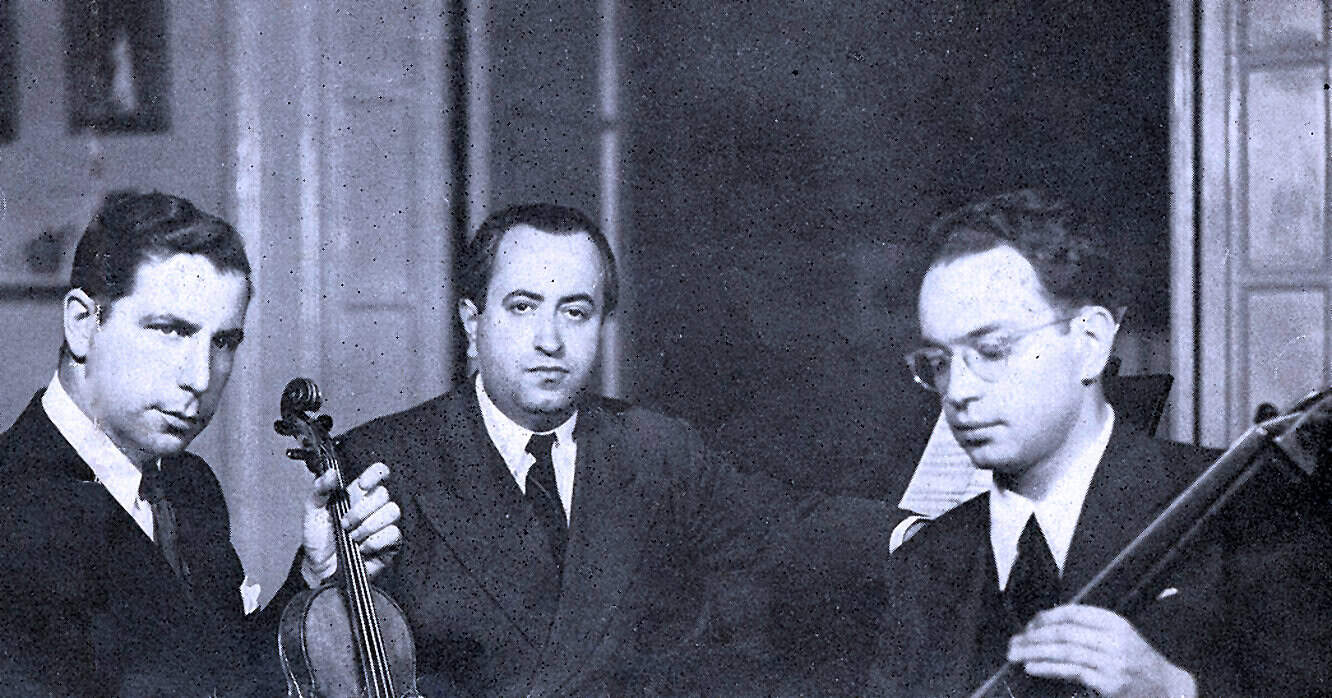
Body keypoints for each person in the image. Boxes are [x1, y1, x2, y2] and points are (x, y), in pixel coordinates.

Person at [337, 203, 900, 696]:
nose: (550, 341)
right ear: (471, 321)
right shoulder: (384, 461)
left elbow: (789, 528)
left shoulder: (657, 450)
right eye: (523, 307)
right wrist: (317, 576)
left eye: (575, 312)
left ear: (603, 324)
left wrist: (927, 535)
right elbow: (310, 658)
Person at [871, 190, 1332, 697]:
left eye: (993, 349)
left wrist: (1175, 692)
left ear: (1090, 343)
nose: (957, 391)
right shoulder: (924, 561)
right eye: (938, 363)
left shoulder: (1250, 508)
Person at [0, 191, 402, 696]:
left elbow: (225, 677)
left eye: (223, 341)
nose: (200, 376)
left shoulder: (189, 485)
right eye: (170, 330)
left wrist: (313, 576)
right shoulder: (11, 509)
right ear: (83, 324)